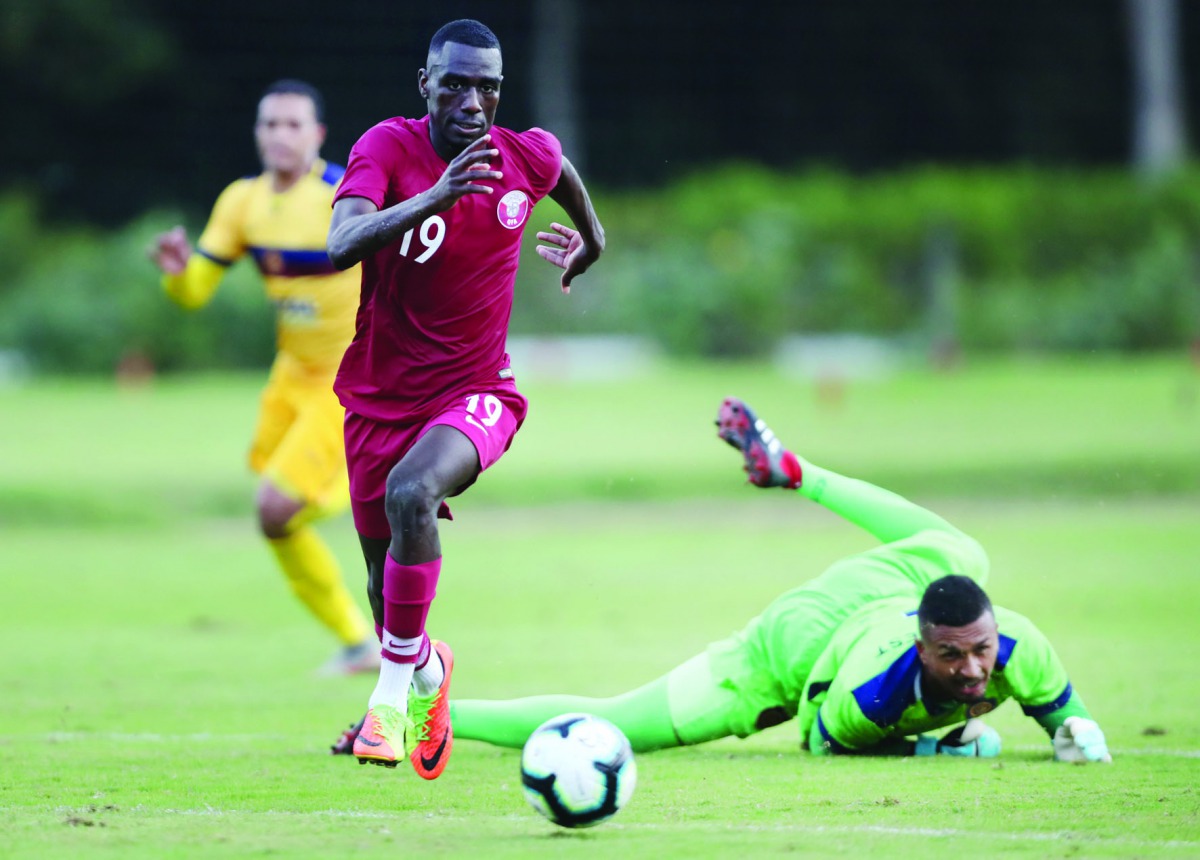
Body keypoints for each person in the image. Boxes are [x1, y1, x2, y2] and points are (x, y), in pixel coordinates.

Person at [419, 398, 1112, 762]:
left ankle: (798, 471)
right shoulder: (873, 696)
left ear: (996, 634)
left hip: (873, 597)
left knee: (962, 554)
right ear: (925, 648)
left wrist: (1074, 728)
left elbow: (1062, 711)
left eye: (981, 652)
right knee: (622, 724)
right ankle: (442, 714)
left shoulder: (1016, 642)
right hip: (784, 660)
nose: (974, 668)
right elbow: (821, 736)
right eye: (955, 657)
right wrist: (944, 744)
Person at [324, 18, 605, 778]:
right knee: (388, 596)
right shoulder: (387, 148)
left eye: (489, 87)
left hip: (478, 394)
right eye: (456, 84)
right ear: (426, 86)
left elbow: (565, 173)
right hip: (378, 401)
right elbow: (341, 242)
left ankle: (385, 706)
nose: (474, 101)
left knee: (411, 494)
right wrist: (437, 196)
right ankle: (426, 676)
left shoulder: (526, 155)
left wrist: (593, 240)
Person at [148, 79, 377, 676]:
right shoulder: (241, 202)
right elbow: (195, 292)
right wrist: (177, 273)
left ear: (318, 135)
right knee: (276, 519)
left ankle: (377, 498)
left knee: (275, 508)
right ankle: (358, 643)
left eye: (293, 124)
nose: (279, 135)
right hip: (290, 376)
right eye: (269, 124)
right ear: (257, 132)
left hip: (344, 378)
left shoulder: (344, 193)